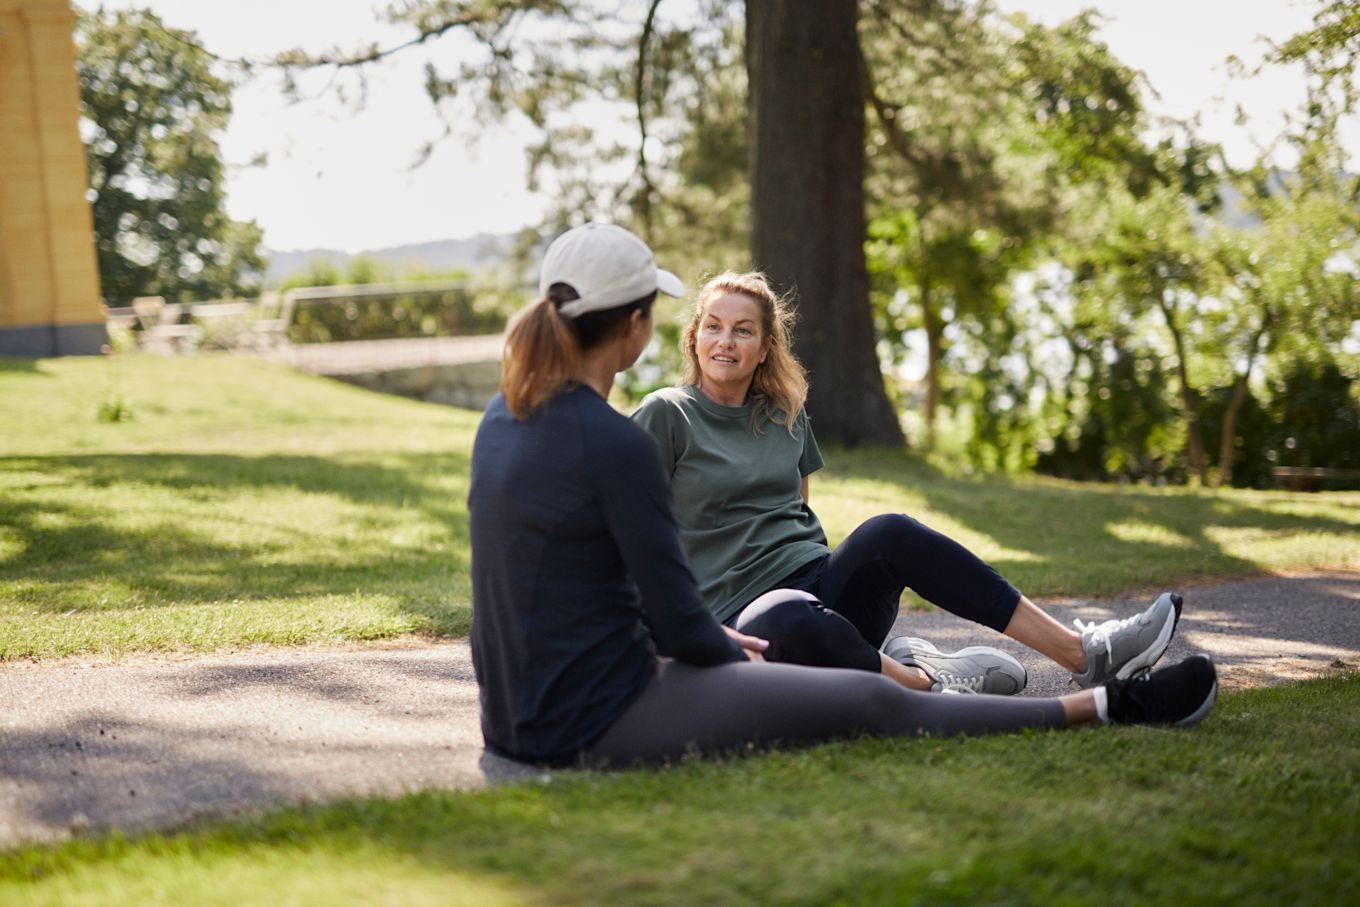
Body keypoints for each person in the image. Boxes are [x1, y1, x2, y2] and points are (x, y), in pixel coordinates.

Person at [468, 223, 1217, 768]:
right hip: (600, 711)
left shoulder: (504, 418)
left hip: (519, 715)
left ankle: (1080, 657)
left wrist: (702, 638)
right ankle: (1114, 706)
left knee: (874, 556)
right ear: (639, 326)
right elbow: (672, 612)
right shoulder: (627, 435)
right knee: (869, 706)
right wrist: (726, 646)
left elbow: (589, 594)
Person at [632, 271, 1182, 696]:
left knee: (889, 531)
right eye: (713, 326)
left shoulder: (785, 413)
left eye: (742, 329)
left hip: (824, 596)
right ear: (694, 337)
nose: (725, 341)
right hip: (746, 622)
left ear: (765, 345)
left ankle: (1087, 655)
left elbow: (796, 518)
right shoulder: (666, 415)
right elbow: (629, 538)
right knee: (786, 614)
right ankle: (927, 681)